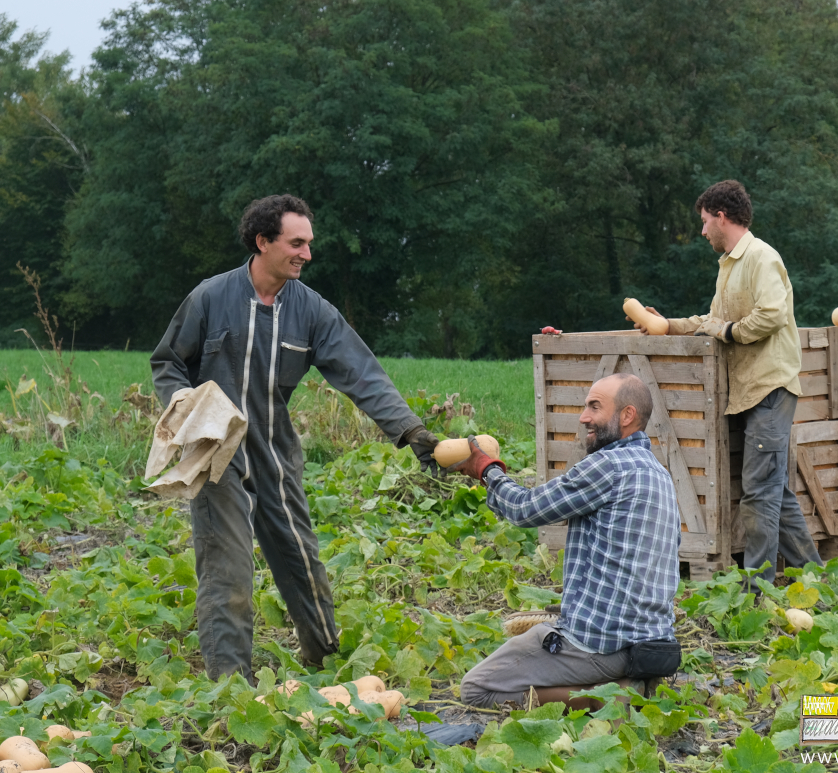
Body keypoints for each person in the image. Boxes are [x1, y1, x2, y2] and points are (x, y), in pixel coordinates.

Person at [150, 194, 441, 679]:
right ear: (263, 242)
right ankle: (230, 687)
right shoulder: (210, 297)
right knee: (229, 571)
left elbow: (361, 372)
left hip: (273, 449)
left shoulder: (311, 311)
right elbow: (168, 362)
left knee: (299, 555)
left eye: (309, 243)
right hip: (216, 452)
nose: (307, 253)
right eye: (297, 242)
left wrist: (410, 429)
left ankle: (323, 660)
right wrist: (183, 405)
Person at [632, 179, 822, 590]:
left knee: (758, 493)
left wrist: (732, 333)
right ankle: (815, 578)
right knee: (775, 490)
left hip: (769, 386)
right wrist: (667, 326)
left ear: (722, 217)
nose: (702, 232)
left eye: (704, 222)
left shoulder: (761, 258)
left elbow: (770, 314)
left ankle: (758, 590)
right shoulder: (730, 265)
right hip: (751, 390)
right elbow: (711, 321)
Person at [456, 373, 680, 709]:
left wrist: (488, 470)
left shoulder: (609, 466)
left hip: (599, 645)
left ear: (627, 415)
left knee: (475, 689)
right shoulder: (659, 474)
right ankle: (629, 684)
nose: (583, 417)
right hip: (651, 645)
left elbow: (524, 509)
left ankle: (611, 697)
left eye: (594, 407)